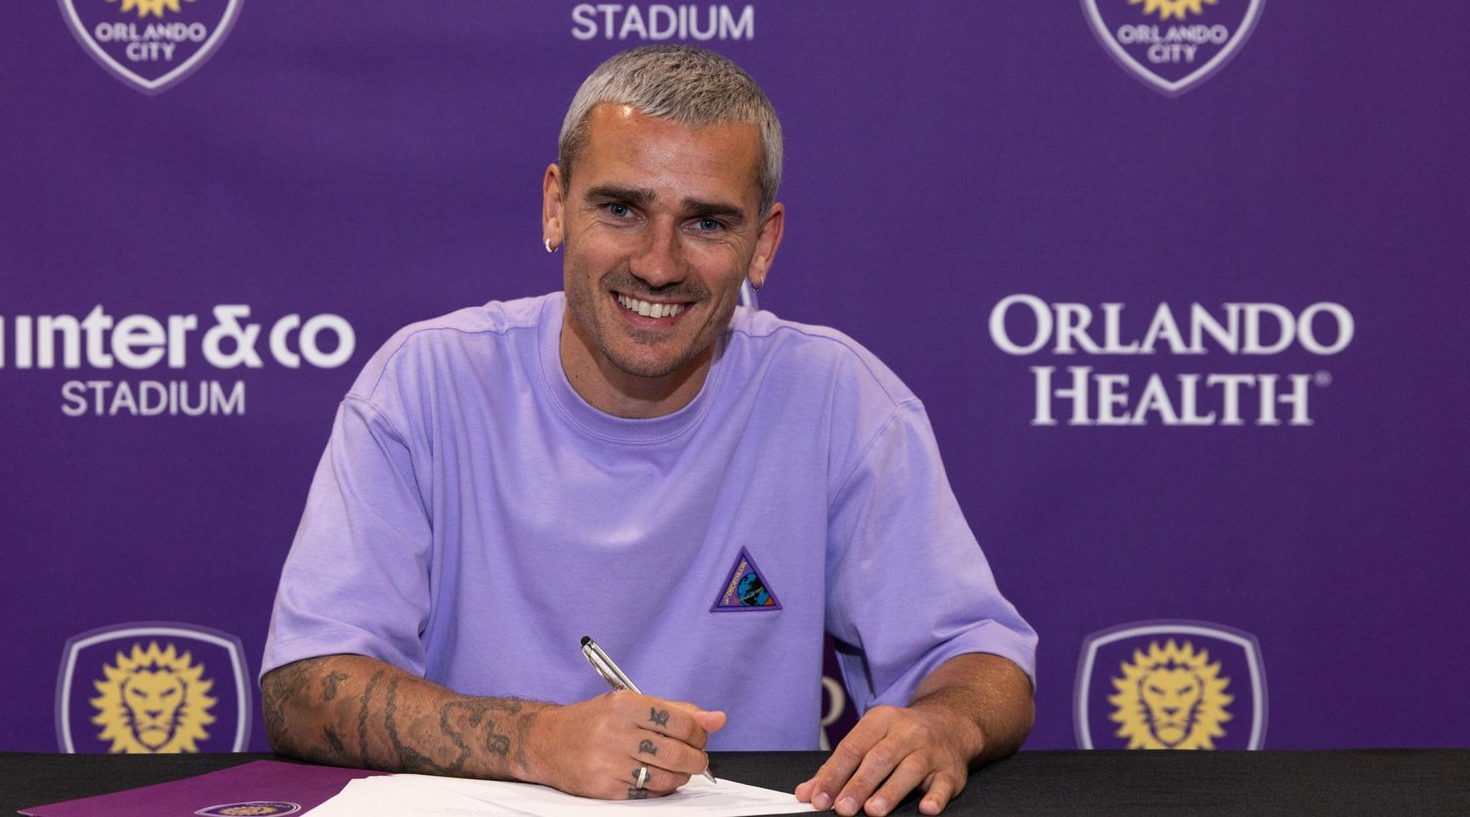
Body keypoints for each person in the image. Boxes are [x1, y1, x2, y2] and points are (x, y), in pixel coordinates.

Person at [260, 45, 1036, 817]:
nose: (659, 265)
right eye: (621, 210)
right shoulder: (427, 383)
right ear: (556, 206)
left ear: (763, 244)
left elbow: (981, 660)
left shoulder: (836, 396)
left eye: (707, 222)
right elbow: (304, 685)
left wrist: (946, 723)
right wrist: (537, 741)